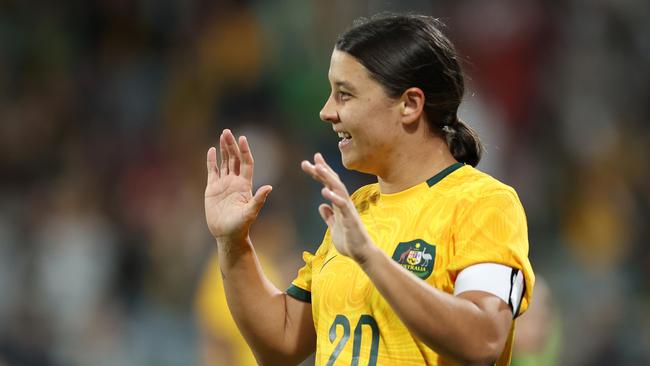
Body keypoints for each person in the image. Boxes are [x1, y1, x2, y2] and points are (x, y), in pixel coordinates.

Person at [204, 13, 534, 366]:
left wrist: (371, 258)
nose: (326, 112)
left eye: (344, 95)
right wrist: (233, 242)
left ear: (409, 104)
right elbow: (282, 343)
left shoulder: (483, 204)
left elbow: (483, 341)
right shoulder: (358, 208)